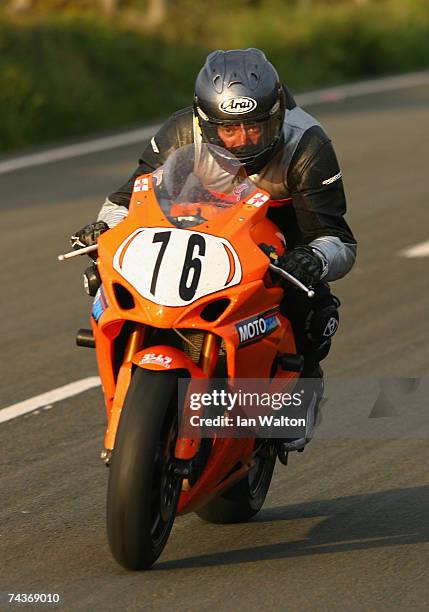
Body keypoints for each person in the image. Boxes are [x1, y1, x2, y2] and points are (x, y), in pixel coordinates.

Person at [71, 48, 357, 454]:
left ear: (276, 116)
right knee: (108, 274)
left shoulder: (307, 144)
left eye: (256, 127)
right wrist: (103, 229)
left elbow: (338, 239)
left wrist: (313, 258)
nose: (243, 140)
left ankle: (303, 386)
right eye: (229, 129)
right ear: (205, 122)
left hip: (281, 228)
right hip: (196, 222)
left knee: (311, 304)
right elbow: (125, 199)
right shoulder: (180, 131)